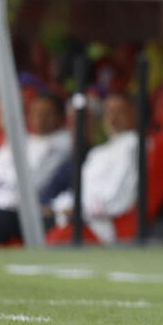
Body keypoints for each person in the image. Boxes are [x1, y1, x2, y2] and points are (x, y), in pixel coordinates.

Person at [0, 93, 72, 247]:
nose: (40, 118)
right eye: (36, 113)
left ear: (60, 117)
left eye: (47, 113)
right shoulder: (21, 143)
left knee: (3, 219)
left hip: (20, 211)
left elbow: (35, 182)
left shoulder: (64, 144)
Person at [48, 93, 138, 245]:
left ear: (133, 114)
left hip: (102, 225)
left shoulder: (135, 145)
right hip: (78, 217)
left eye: (120, 111)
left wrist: (78, 209)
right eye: (110, 112)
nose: (114, 118)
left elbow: (119, 196)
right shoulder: (98, 152)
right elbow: (80, 190)